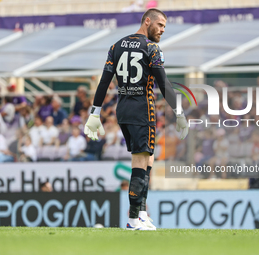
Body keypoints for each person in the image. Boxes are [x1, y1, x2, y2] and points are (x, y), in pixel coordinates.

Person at [84, 9, 188, 230]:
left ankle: (141, 212)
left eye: (164, 28)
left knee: (147, 159)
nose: (162, 30)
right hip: (143, 108)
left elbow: (104, 82)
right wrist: (179, 112)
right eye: (159, 25)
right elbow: (164, 84)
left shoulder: (116, 46)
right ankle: (133, 218)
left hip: (123, 109)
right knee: (141, 161)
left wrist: (95, 113)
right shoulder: (152, 48)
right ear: (147, 21)